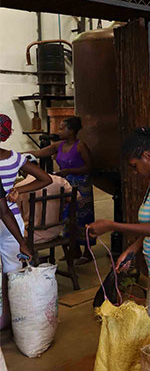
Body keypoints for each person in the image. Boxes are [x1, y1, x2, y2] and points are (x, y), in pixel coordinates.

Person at [87, 128, 150, 341]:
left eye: (135, 166)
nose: (135, 172)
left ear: (147, 156)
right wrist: (131, 250)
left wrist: (112, 225)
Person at [0, 115, 51, 327]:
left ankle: (2, 318)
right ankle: (16, 320)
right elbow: (45, 179)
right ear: (8, 134)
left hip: (5, 214)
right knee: (13, 272)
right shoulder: (15, 158)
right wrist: (18, 189)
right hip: (11, 220)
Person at [30, 116, 95, 264]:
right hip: (66, 186)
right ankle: (74, 249)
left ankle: (88, 252)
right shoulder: (58, 145)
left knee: (83, 219)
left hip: (81, 186)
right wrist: (16, 155)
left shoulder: (80, 146)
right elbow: (39, 153)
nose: (58, 131)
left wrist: (69, 171)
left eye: (61, 128)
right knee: (67, 217)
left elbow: (89, 167)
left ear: (71, 131)